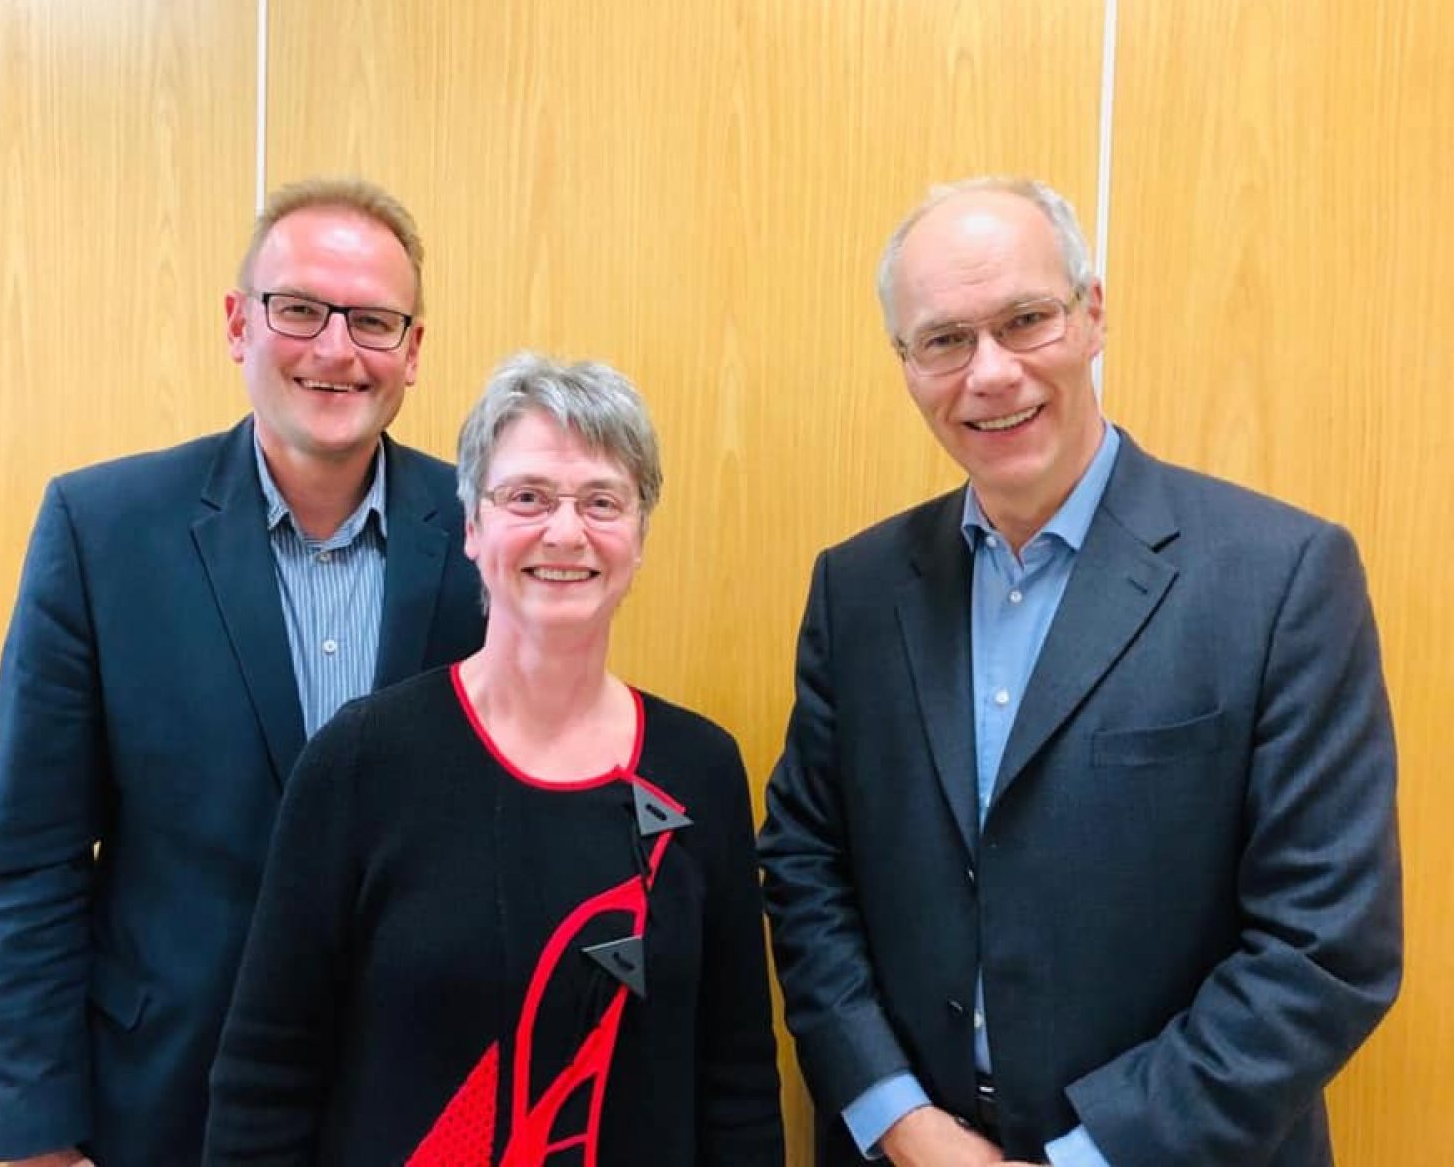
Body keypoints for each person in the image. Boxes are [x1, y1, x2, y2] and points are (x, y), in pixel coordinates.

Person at [758, 177, 1401, 1166]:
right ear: (906, 364)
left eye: (1025, 320)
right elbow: (806, 863)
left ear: (1092, 313)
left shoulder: (1280, 579)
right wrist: (898, 1118)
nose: (991, 373)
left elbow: (1325, 945)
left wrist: (1088, 1155)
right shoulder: (859, 589)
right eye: (944, 340)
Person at [0, 177, 486, 1167]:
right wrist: (38, 1138)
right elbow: (30, 863)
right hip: (163, 1098)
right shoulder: (102, 531)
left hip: (418, 1104)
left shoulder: (485, 537)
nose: (336, 348)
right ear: (238, 324)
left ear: (413, 351)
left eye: (373, 321)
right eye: (299, 309)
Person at [202, 352, 785, 1166]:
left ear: (639, 538)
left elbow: (737, 1082)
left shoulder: (701, 769)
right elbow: (266, 1077)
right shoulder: (361, 760)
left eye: (602, 501)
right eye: (528, 497)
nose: (566, 532)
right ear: (473, 528)